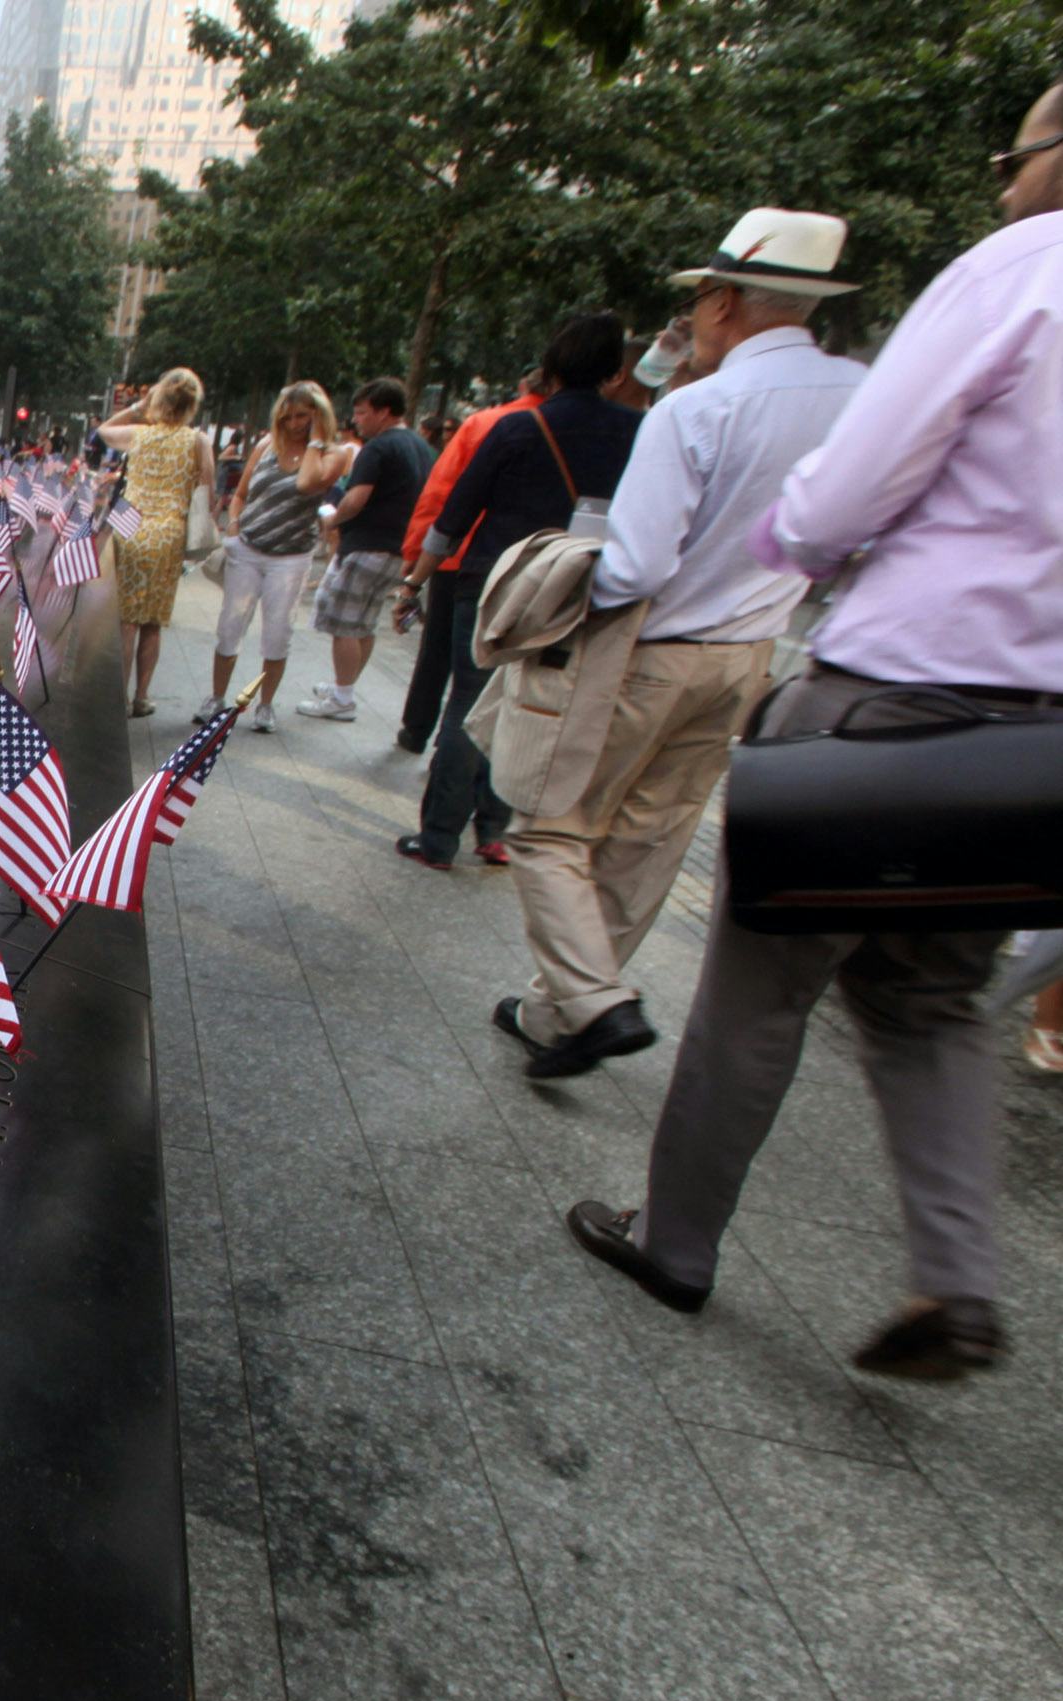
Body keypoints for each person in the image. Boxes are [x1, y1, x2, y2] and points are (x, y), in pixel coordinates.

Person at [569, 80, 1063, 1381]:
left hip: (894, 688)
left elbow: (843, 500)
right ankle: (955, 1278)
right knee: (938, 1003)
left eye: (1018, 155)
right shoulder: (859, 356)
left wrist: (801, 543)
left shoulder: (1016, 271)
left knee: (758, 989)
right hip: (1036, 736)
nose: (1006, 178)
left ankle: (675, 1239)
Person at [494, 210, 869, 1077]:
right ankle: (562, 1011)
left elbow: (634, 567)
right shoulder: (865, 395)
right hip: (751, 653)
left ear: (724, 302)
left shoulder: (702, 407)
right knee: (649, 836)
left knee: (549, 824)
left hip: (651, 649)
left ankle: (591, 1002)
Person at [397, 315, 639, 868]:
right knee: (534, 704)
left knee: (468, 699)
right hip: (578, 585)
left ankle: (438, 838)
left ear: (549, 367)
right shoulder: (638, 430)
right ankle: (497, 830)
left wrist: (414, 581)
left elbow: (454, 517)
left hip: (498, 581)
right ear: (615, 370)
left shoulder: (517, 427)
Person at [395, 373, 546, 752]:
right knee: (489, 671)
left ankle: (417, 730)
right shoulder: (581, 430)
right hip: (532, 569)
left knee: (438, 654)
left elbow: (440, 493)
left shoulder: (486, 422)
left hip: (457, 558)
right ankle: (470, 754)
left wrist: (415, 559)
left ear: (524, 386)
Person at [300, 379, 435, 720]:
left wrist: (333, 519)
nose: (356, 419)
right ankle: (344, 687)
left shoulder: (378, 448)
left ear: (383, 411)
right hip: (398, 549)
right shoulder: (420, 447)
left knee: (345, 623)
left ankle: (342, 698)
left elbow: (356, 499)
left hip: (367, 546)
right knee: (365, 622)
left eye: (362, 412)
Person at [206, 381, 336, 728]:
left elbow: (308, 484)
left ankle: (265, 705)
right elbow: (241, 493)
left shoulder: (331, 454)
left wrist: (316, 440)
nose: (295, 424)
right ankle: (215, 697)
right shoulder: (266, 445)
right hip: (248, 547)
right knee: (230, 625)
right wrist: (233, 525)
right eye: (288, 416)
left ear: (318, 416)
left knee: (278, 632)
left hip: (291, 556)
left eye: (304, 416)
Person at [97, 369, 218, 718]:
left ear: (160, 399)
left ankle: (117, 695)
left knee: (125, 619)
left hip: (130, 526)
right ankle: (142, 696)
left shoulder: (140, 434)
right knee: (152, 621)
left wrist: (138, 405)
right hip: (168, 532)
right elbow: (207, 493)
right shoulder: (198, 442)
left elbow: (104, 431)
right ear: (192, 404)